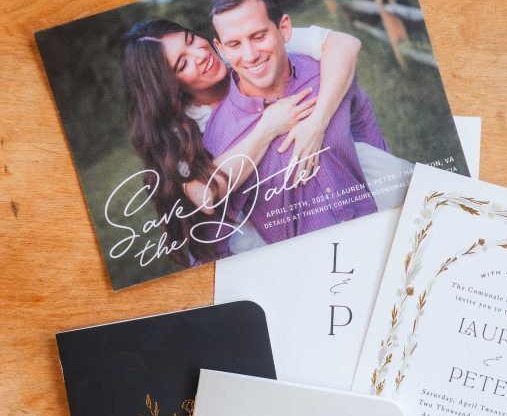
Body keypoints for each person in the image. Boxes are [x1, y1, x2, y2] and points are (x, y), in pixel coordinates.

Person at [121, 18, 362, 264]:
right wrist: (267, 127)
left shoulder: (240, 51)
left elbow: (344, 44)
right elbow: (203, 193)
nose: (201, 54)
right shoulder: (179, 130)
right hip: (246, 240)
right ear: (168, 86)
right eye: (183, 63)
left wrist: (318, 120)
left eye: (192, 40)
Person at [204, 0, 393, 243]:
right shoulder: (219, 138)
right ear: (220, 48)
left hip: (378, 233)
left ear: (284, 28)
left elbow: (364, 124)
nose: (249, 55)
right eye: (234, 45)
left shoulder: (324, 75)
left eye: (258, 37)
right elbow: (215, 238)